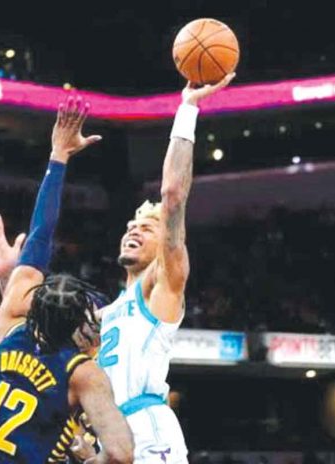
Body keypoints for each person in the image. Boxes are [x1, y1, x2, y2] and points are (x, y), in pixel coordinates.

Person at [0, 97, 133, 464]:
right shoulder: (83, 374)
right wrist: (90, 458)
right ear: (80, 328)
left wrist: (58, 155)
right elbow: (122, 454)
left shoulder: (10, 329)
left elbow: (39, 238)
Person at [96, 74, 234, 463]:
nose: (134, 229)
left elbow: (173, 196)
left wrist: (187, 109)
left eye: (147, 226)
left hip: (147, 427)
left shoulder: (162, 286)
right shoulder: (106, 313)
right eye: (130, 225)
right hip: (109, 435)